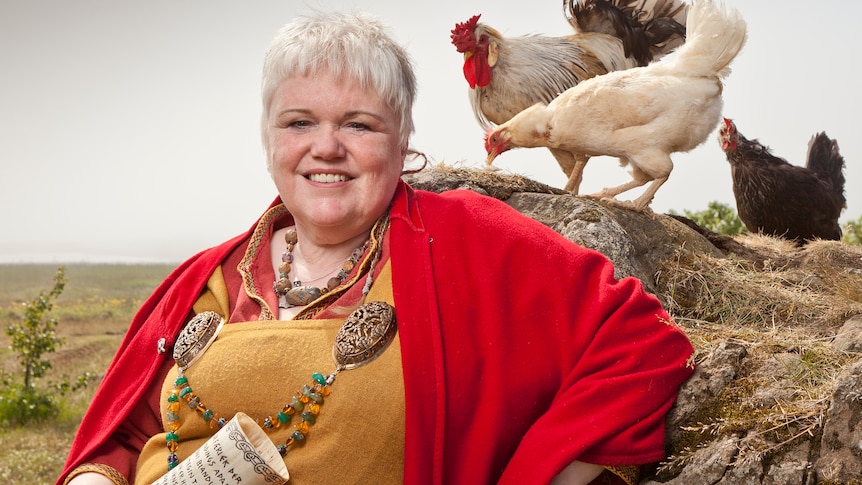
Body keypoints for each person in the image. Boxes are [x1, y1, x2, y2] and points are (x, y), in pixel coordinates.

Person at [59, 10, 695, 485]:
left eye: (358, 125)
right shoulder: (207, 278)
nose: (326, 147)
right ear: (269, 138)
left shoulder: (469, 239)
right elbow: (122, 437)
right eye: (299, 122)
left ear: (401, 140)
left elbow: (640, 344)